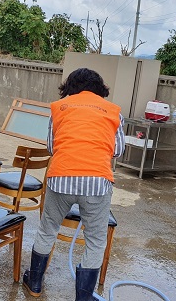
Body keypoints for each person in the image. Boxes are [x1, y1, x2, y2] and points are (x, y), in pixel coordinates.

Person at [22, 68, 125, 300]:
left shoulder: (59, 109)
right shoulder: (114, 112)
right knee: (96, 240)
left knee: (48, 229)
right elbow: (118, 150)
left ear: (70, 87)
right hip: (98, 183)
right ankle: (83, 297)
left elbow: (51, 147)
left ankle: (35, 284)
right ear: (100, 89)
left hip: (61, 178)